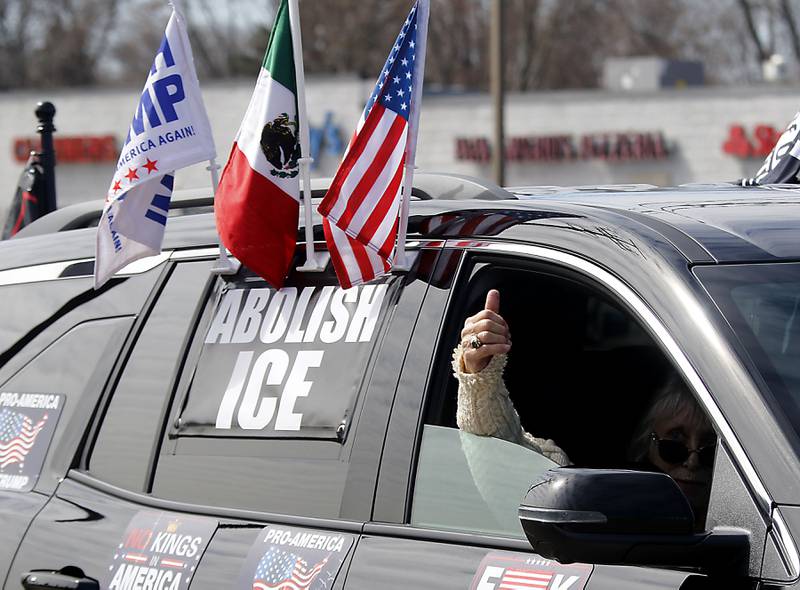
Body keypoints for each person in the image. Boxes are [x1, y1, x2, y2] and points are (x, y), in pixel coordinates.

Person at [453, 289, 717, 523]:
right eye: (674, 446)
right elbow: (502, 457)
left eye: (708, 451)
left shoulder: (756, 520)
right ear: (644, 447)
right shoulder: (599, 507)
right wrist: (480, 374)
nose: (693, 462)